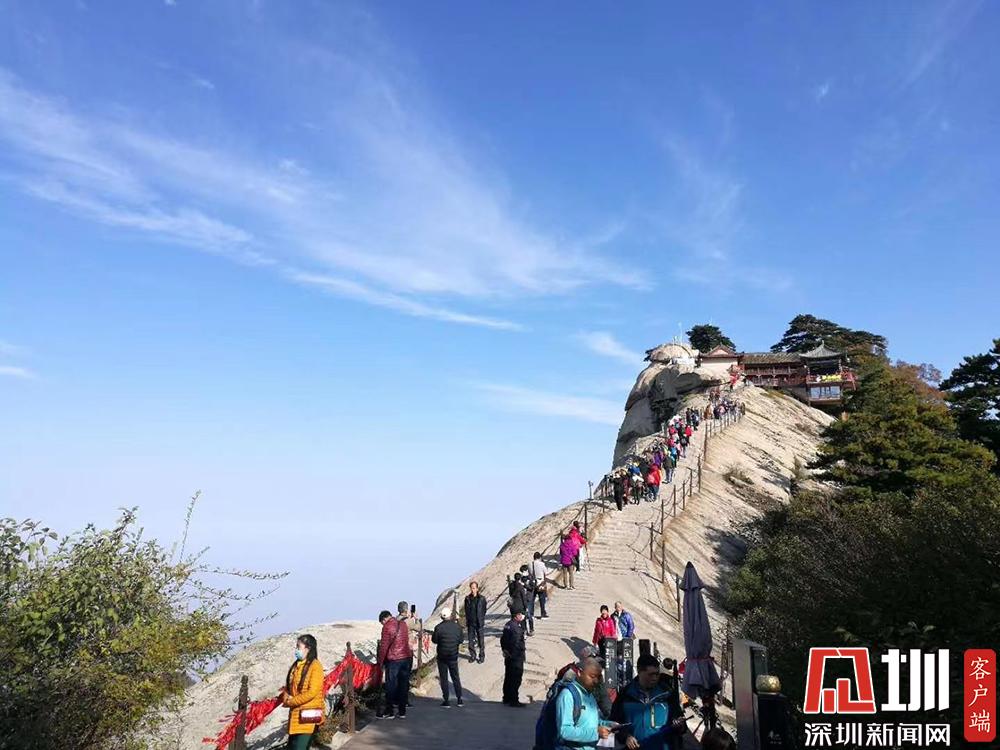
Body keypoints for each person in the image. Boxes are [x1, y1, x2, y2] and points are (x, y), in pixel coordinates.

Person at [611, 653, 686, 750]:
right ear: (639, 672)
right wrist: (625, 737)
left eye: (657, 674)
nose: (655, 678)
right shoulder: (625, 695)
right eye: (651, 674)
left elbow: (680, 721)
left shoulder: (667, 694)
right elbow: (614, 723)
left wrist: (680, 725)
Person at [555, 658, 615, 749]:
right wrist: (595, 733)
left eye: (598, 678)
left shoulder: (590, 696)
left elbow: (593, 722)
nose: (596, 681)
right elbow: (565, 731)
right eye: (592, 676)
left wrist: (608, 724)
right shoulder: (567, 695)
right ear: (579, 673)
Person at [281, 634, 324, 750]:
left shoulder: (315, 666)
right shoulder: (297, 665)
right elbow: (290, 686)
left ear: (308, 648)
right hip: (295, 714)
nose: (296, 650)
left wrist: (292, 701)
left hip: (308, 716)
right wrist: (286, 696)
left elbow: (312, 692)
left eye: (298, 647)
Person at [376, 601, 413, 719]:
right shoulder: (403, 624)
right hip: (406, 658)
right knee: (403, 685)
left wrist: (380, 662)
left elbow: (384, 647)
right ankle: (402, 712)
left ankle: (389, 711)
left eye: (382, 622)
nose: (383, 624)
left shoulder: (387, 627)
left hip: (394, 660)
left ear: (384, 619)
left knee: (391, 686)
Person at [431, 608, 464, 708]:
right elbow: (461, 640)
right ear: (450, 615)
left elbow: (434, 640)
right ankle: (459, 699)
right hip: (453, 655)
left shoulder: (438, 627)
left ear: (441, 617)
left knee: (444, 678)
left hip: (442, 656)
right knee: (455, 677)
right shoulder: (457, 627)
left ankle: (446, 700)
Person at [500, 609, 527, 707]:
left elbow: (502, 639)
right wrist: (518, 654)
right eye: (521, 614)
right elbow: (516, 643)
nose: (522, 616)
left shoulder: (508, 625)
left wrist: (505, 650)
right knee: (515, 679)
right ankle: (514, 700)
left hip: (508, 656)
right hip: (516, 657)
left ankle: (506, 698)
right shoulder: (516, 628)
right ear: (517, 615)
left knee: (508, 677)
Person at [463, 581, 487, 664]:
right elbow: (466, 610)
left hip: (479, 622)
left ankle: (481, 656)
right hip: (470, 623)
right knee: (470, 641)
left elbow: (484, 610)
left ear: (477, 588)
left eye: (474, 588)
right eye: (471, 588)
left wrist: (481, 618)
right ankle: (473, 655)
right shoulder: (467, 599)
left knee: (481, 640)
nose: (472, 590)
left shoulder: (482, 599)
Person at [519, 564, 538, 634]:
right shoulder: (521, 578)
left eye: (524, 571)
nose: (523, 573)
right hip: (522, 599)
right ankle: (524, 629)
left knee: (529, 615)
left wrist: (525, 584)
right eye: (522, 572)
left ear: (527, 571)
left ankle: (531, 629)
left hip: (529, 599)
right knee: (522, 616)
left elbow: (532, 588)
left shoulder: (531, 578)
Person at [531, 551, 550, 618]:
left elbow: (530, 573)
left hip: (533, 583)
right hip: (540, 583)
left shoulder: (530, 564)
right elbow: (546, 572)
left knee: (532, 599)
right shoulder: (541, 564)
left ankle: (531, 614)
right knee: (542, 599)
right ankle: (543, 613)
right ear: (539, 557)